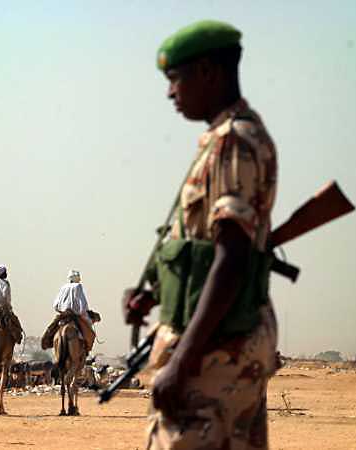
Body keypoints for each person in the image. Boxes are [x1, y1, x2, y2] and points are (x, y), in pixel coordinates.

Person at [123, 20, 278, 449]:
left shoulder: (234, 142)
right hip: (218, 340)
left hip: (212, 352)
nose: (171, 93)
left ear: (209, 72)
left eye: (176, 79)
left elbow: (231, 258)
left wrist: (183, 360)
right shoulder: (223, 139)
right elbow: (205, 250)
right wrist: (157, 294)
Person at [42, 270, 98, 353]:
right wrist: (83, 312)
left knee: (52, 327)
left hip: (63, 314)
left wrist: (61, 311)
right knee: (89, 328)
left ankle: (47, 341)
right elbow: (83, 303)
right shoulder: (78, 286)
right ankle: (87, 349)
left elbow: (55, 305)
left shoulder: (63, 287)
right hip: (75, 314)